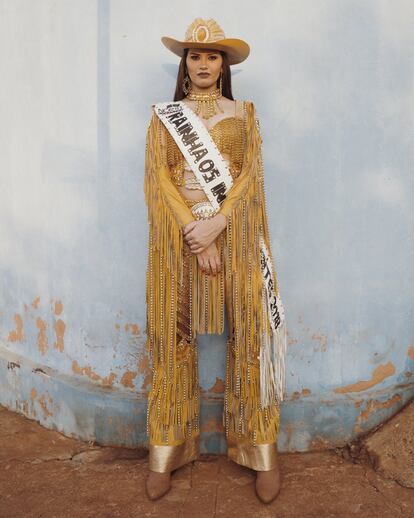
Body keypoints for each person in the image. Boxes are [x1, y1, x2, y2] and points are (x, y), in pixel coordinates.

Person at [143, 17, 287, 504]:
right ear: (184, 65)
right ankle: (166, 451)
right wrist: (195, 233)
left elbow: (250, 180)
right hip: (180, 242)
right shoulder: (165, 116)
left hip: (235, 238)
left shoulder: (245, 113)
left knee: (250, 335)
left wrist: (219, 225)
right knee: (171, 337)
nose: (203, 63)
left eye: (212, 56)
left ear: (224, 65)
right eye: (194, 55)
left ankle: (260, 451)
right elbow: (160, 180)